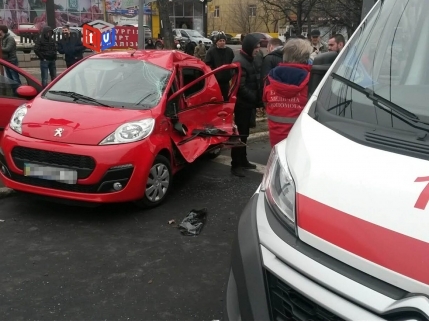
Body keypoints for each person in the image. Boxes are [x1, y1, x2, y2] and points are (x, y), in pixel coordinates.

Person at [262, 38, 312, 147]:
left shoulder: (269, 78)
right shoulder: (311, 80)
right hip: (300, 138)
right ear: (305, 58)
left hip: (276, 138)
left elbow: (266, 102)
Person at [230, 34, 262, 177]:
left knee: (245, 134)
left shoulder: (250, 59)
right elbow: (240, 87)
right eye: (256, 47)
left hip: (248, 104)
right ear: (249, 47)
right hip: (242, 104)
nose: (258, 49)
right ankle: (235, 164)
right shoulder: (240, 62)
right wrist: (255, 98)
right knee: (239, 134)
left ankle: (243, 160)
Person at [204, 33, 234, 101]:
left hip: (226, 81)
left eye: (223, 40)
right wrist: (214, 72)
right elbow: (207, 64)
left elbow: (233, 63)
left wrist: (231, 73)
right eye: (220, 40)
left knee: (227, 99)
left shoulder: (229, 51)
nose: (222, 42)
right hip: (215, 81)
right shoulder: (211, 52)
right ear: (216, 42)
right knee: (216, 100)